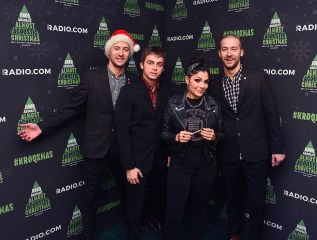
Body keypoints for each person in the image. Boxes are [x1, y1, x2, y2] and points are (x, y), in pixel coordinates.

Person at [17, 29, 140, 240]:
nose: (121, 53)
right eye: (117, 48)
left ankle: (133, 234)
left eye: (125, 49)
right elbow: (71, 108)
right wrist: (42, 127)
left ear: (130, 54)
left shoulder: (135, 82)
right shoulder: (91, 77)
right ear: (109, 51)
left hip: (124, 150)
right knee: (90, 199)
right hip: (95, 149)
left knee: (131, 197)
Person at [208, 34, 285, 240]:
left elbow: (271, 113)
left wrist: (277, 147)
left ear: (241, 52)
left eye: (234, 49)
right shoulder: (214, 83)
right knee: (232, 201)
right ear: (219, 53)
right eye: (225, 49)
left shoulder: (258, 78)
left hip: (257, 152)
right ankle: (235, 235)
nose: (229, 53)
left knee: (257, 204)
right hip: (228, 153)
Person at [160, 57, 224, 240]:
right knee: (174, 210)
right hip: (181, 161)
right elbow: (163, 133)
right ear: (187, 80)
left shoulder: (213, 105)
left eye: (205, 82)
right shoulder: (173, 103)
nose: (202, 86)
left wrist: (214, 137)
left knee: (199, 207)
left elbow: (223, 134)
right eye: (197, 80)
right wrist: (176, 137)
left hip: (206, 162)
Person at [115, 46, 170, 240]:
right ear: (141, 65)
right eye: (150, 63)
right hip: (137, 159)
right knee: (135, 203)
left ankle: (154, 219)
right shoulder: (128, 91)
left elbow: (169, 124)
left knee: (159, 195)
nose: (154, 68)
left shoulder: (167, 91)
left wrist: (169, 153)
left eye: (159, 64)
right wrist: (129, 166)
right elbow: (122, 131)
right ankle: (133, 234)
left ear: (163, 68)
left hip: (160, 156)